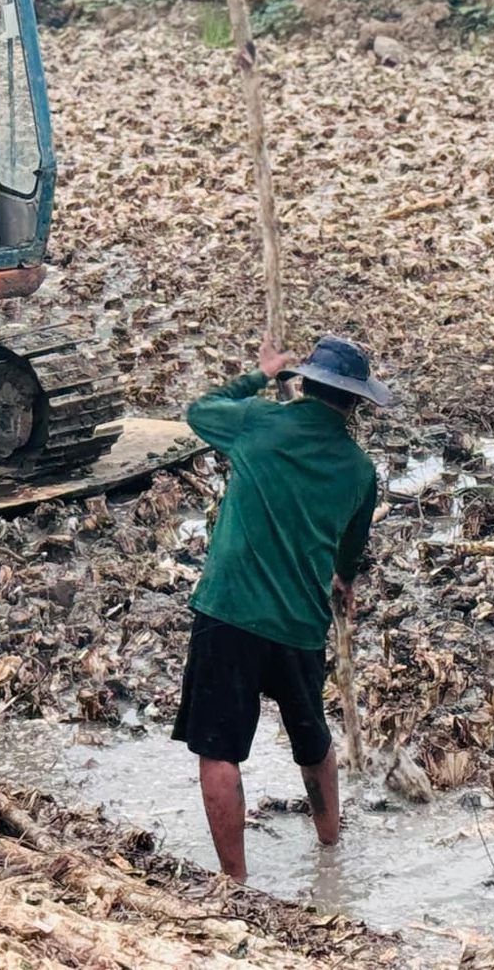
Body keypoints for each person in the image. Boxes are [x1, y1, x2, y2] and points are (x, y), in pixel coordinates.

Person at [173, 333, 389, 882]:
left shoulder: (257, 423)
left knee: (220, 748)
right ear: (355, 403)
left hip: (229, 611)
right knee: (312, 738)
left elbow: (199, 412)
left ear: (305, 384)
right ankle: (331, 849)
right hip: (299, 624)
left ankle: (236, 881)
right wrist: (343, 582)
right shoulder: (360, 473)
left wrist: (260, 373)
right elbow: (349, 556)